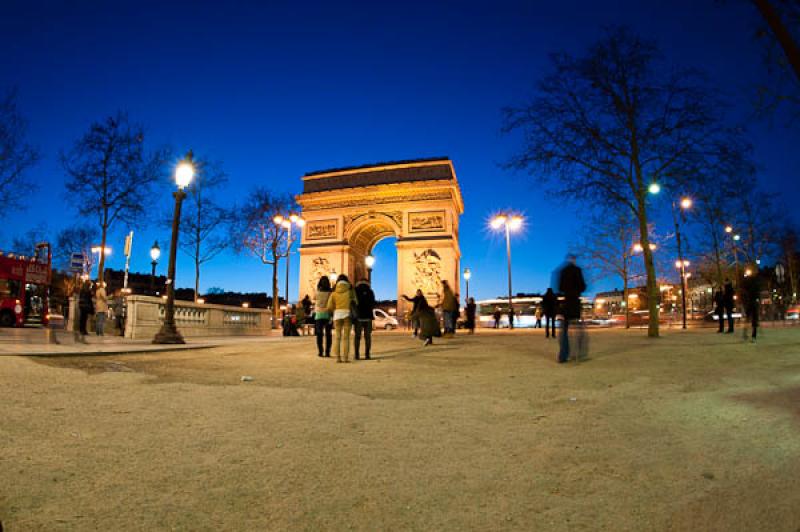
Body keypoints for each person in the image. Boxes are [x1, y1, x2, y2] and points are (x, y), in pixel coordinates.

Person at [557, 255, 587, 363]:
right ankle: (580, 353)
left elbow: (560, 288)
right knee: (579, 329)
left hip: (566, 303)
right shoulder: (578, 270)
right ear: (574, 260)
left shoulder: (563, 271)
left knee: (564, 331)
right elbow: (583, 286)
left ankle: (563, 355)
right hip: (575, 302)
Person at [327, 274, 357, 363]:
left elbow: (329, 306)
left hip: (337, 315)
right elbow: (356, 302)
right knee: (346, 337)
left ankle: (338, 358)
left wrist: (334, 310)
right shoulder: (350, 291)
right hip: (347, 314)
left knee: (337, 337)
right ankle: (346, 358)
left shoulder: (334, 293)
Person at [353, 279, 376, 360]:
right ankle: (367, 354)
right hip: (368, 317)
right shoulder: (370, 291)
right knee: (368, 337)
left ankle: (357, 355)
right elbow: (373, 303)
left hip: (358, 317)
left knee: (357, 337)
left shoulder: (355, 291)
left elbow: (353, 303)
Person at [314, 276, 333, 357]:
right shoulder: (330, 292)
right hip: (328, 314)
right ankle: (327, 352)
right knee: (328, 334)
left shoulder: (317, 292)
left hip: (319, 315)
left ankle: (320, 351)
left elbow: (314, 299)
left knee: (319, 334)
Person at [742, 268, 762, 343]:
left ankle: (746, 334)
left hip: (751, 302)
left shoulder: (749, 282)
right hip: (753, 302)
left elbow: (745, 289)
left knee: (748, 318)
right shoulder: (756, 282)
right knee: (754, 320)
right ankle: (753, 336)